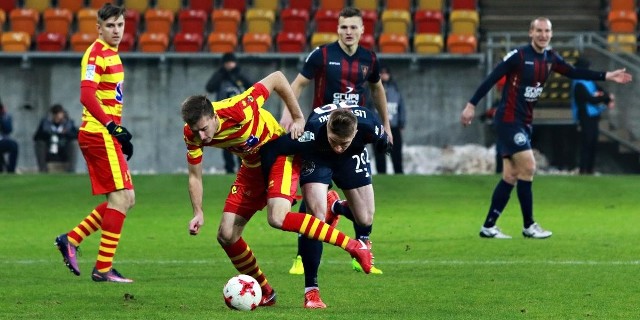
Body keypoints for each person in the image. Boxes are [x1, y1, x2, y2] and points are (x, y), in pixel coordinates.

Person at [180, 71, 374, 308]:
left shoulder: (240, 108)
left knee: (277, 218)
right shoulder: (192, 133)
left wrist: (298, 117)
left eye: (203, 129)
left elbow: (278, 78)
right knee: (226, 235)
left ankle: (354, 246)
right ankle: (265, 291)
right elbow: (194, 176)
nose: (201, 136)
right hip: (251, 167)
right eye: (195, 130)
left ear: (213, 115)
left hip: (281, 157)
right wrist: (198, 211)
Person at [460, 17, 632, 239]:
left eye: (547, 31)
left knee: (511, 175)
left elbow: (573, 72)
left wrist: (607, 76)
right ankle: (529, 225)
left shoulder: (551, 58)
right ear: (530, 32)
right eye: (538, 30)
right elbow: (492, 78)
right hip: (508, 120)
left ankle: (488, 226)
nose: (543, 34)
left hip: (524, 122)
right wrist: (471, 104)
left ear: (551, 34)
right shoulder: (519, 56)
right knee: (529, 167)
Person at [280, 6, 390, 275]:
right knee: (311, 201)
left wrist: (386, 124)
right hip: (321, 136)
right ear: (337, 29)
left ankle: (359, 247)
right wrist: (289, 114)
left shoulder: (369, 59)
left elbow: (377, 89)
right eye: (343, 27)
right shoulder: (322, 54)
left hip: (353, 138)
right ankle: (300, 257)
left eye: (353, 27)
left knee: (364, 210)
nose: (348, 32)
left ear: (362, 30)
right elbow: (298, 84)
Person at [261, 102, 392, 308]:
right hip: (317, 157)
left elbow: (384, 139)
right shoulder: (311, 133)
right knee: (315, 220)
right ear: (328, 128)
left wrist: (384, 144)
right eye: (334, 141)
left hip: (352, 157)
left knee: (365, 217)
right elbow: (273, 149)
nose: (338, 148)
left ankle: (336, 206)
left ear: (356, 131)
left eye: (343, 143)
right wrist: (268, 186)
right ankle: (311, 291)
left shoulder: (369, 125)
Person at [54, 3, 136, 283]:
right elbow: (87, 96)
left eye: (120, 25)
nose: (116, 31)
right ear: (98, 28)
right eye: (110, 26)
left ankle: (72, 239)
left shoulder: (112, 53)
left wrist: (117, 132)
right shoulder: (95, 54)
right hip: (98, 134)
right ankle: (102, 269)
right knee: (120, 198)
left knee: (126, 200)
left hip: (106, 134)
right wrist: (113, 127)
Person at [205, 52, 251, 173]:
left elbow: (252, 87)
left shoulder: (240, 74)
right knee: (226, 143)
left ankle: (243, 168)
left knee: (241, 140)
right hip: (223, 114)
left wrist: (237, 77)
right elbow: (209, 87)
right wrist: (222, 74)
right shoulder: (220, 75)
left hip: (239, 112)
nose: (230, 65)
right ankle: (229, 169)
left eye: (232, 62)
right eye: (228, 62)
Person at [570, 57, 614, 175]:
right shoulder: (578, 84)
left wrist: (606, 96)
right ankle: (583, 169)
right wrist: (606, 98)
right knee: (587, 142)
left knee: (593, 142)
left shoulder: (589, 81)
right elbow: (591, 99)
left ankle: (590, 169)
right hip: (585, 116)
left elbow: (600, 91)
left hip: (594, 115)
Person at [373, 66, 405, 174]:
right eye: (381, 73)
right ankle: (381, 173)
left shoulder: (395, 90)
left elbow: (401, 107)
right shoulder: (371, 90)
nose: (384, 75)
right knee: (379, 153)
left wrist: (402, 123)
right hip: (379, 127)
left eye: (386, 73)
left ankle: (399, 173)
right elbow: (368, 107)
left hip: (394, 126)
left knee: (396, 152)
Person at [34, 104, 79, 173]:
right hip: (49, 149)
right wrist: (48, 134)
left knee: (74, 143)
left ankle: (71, 170)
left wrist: (65, 133)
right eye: (55, 114)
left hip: (63, 149)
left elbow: (76, 135)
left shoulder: (69, 124)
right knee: (40, 143)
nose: (57, 117)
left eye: (59, 114)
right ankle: (43, 170)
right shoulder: (45, 123)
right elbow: (36, 137)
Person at [0, 99, 18, 173]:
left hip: (1, 141)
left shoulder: (5, 116)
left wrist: (2, 117)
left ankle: (11, 171)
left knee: (13, 145)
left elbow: (8, 129)